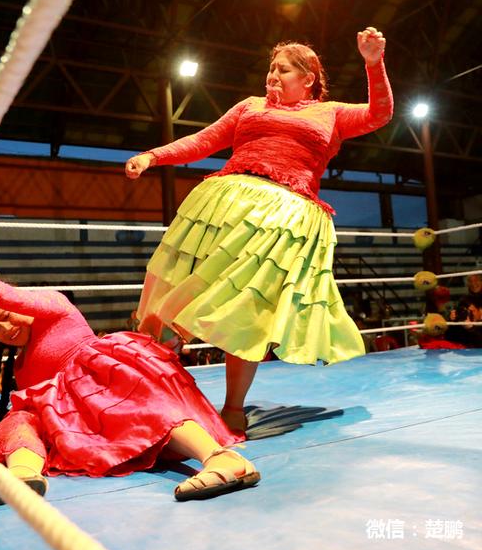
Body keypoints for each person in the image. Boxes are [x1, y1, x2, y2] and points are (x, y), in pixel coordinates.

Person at [125, 27, 393, 432]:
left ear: (308, 79)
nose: (272, 75)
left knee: (248, 311)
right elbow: (205, 140)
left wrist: (374, 64)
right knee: (171, 293)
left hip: (284, 219)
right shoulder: (249, 106)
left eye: (283, 70)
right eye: (271, 68)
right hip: (225, 207)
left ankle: (233, 408)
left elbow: (379, 114)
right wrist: (152, 156)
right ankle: (154, 392)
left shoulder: (331, 113)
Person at [0, 251, 260, 507]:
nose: (5, 329)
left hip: (112, 386)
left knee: (135, 403)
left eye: (8, 317)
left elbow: (4, 293)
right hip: (87, 428)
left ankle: (220, 457)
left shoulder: (53, 308)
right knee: (23, 418)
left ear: (21, 304)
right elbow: (41, 418)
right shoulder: (22, 368)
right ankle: (21, 476)